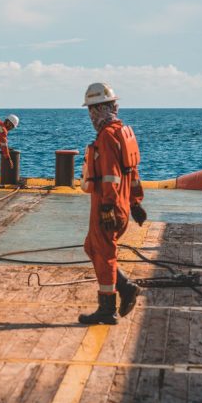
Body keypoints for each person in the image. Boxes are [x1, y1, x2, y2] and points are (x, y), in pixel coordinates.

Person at [78, 82, 147, 325]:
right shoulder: (122, 133)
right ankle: (125, 287)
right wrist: (136, 202)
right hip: (122, 205)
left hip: (108, 206)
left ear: (97, 110)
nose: (90, 115)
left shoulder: (107, 136)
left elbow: (110, 175)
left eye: (91, 110)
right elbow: (133, 172)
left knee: (104, 254)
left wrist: (107, 206)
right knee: (92, 247)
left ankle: (107, 308)